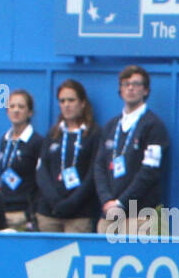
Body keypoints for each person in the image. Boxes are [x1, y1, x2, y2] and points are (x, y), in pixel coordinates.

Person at [94, 65, 171, 237]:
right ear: (120, 90)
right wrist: (107, 200)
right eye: (126, 84)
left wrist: (121, 203)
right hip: (109, 216)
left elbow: (149, 172)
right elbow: (99, 166)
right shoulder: (111, 126)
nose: (130, 88)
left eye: (136, 84)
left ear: (145, 90)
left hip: (140, 216)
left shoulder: (153, 126)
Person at [36, 79, 101, 234]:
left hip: (79, 214)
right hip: (49, 213)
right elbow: (41, 170)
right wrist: (54, 200)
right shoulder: (53, 134)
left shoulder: (94, 134)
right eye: (62, 101)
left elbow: (93, 173)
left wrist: (72, 202)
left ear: (82, 103)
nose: (66, 105)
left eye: (71, 100)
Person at [0, 89, 44, 230]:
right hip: (3, 209)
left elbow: (40, 180)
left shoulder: (37, 142)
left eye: (21, 107)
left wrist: (31, 211)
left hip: (23, 211)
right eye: (12, 106)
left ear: (30, 112)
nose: (16, 110)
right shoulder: (5, 140)